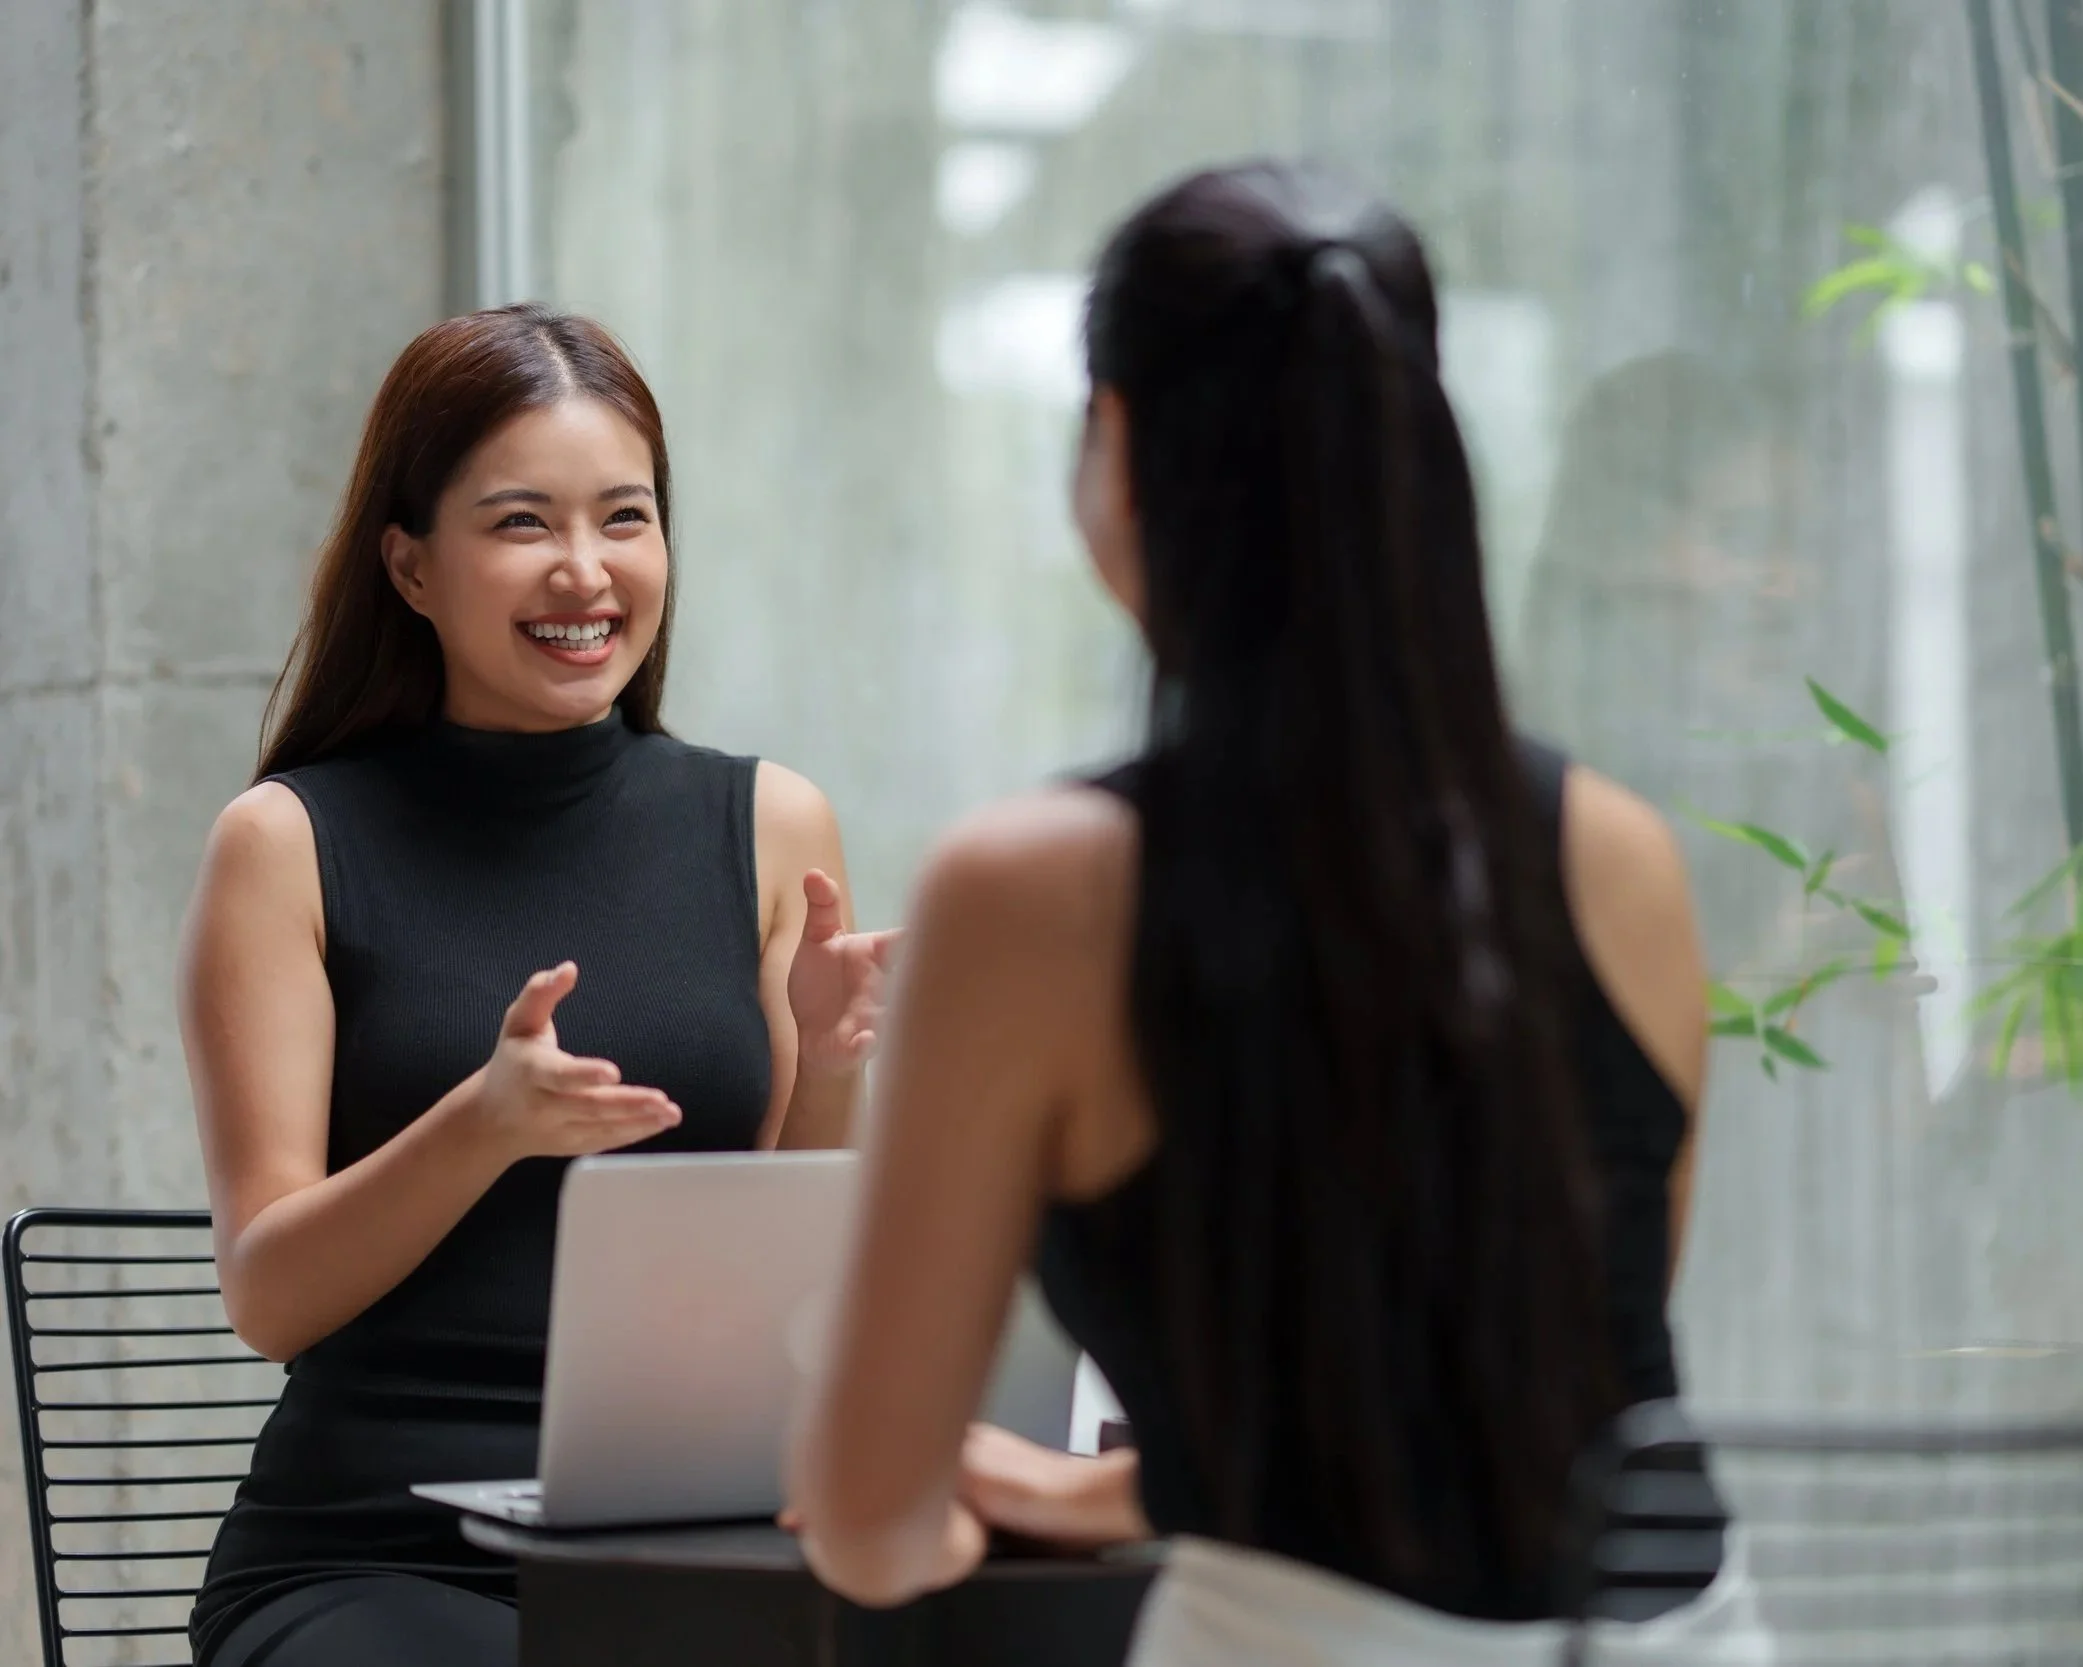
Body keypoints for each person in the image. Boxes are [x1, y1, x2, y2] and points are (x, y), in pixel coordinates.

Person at [786, 164, 1769, 1663]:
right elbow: (1543, 1389)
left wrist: (955, 1504)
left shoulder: (1033, 892)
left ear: (1113, 445)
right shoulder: (1610, 851)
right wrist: (1141, 1481)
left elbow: (867, 1520)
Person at [180, 304, 891, 1667]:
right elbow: (267, 1296)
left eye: (624, 518)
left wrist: (835, 1063)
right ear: (409, 564)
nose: (585, 572)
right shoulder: (285, 843)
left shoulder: (771, 823)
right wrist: (483, 1123)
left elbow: (787, 1261)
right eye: (521, 523)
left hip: (692, 1533)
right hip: (374, 1554)